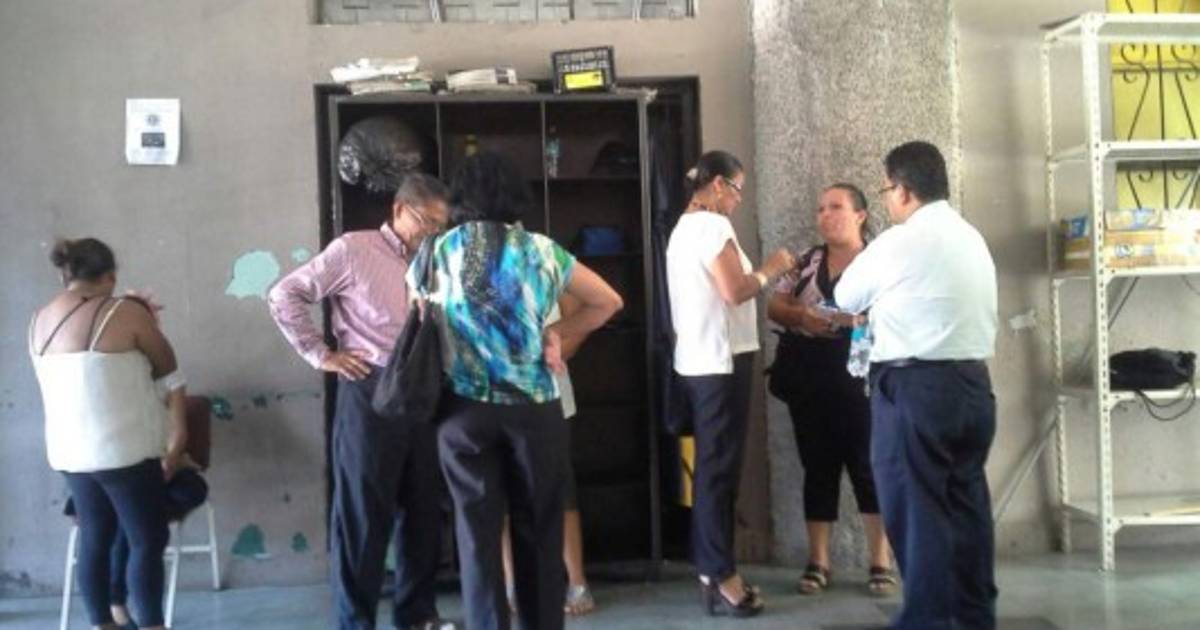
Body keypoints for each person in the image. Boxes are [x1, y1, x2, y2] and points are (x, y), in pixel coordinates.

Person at [422, 152, 622, 630]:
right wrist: (557, 332)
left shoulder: (437, 251)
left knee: (477, 535)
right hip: (534, 409)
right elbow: (609, 302)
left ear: (461, 196)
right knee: (541, 528)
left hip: (462, 411)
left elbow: (417, 319)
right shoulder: (541, 251)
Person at [267, 174, 454, 630]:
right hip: (371, 387)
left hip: (425, 389)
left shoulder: (439, 258)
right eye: (426, 221)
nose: (432, 232)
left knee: (424, 509)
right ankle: (356, 621)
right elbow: (284, 294)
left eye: (441, 225)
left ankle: (417, 615)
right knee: (362, 513)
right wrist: (321, 354)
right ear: (399, 210)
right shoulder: (353, 250)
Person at [834, 141, 998, 630]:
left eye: (887, 190)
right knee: (967, 508)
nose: (888, 199)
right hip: (973, 387)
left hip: (915, 390)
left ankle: (926, 620)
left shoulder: (898, 241)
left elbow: (845, 296)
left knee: (916, 511)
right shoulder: (972, 237)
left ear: (903, 190)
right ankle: (974, 617)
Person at [29, 238, 187, 630]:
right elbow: (168, 370)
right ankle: (152, 624)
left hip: (69, 451)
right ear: (110, 276)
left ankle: (103, 623)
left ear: (65, 274)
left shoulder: (38, 319)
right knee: (146, 539)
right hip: (123, 448)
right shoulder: (122, 312)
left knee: (94, 538)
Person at [665, 150, 794, 618]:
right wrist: (773, 267)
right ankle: (720, 575)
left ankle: (712, 568)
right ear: (718, 184)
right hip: (721, 362)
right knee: (719, 473)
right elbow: (735, 290)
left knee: (712, 470)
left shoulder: (682, 229)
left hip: (698, 361)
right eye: (737, 189)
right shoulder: (711, 227)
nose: (738, 200)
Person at [767, 183, 896, 597]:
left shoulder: (882, 261)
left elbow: (900, 311)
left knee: (868, 465)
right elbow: (775, 305)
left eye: (836, 207)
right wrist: (803, 316)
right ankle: (818, 560)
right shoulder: (806, 261)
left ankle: (880, 560)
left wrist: (855, 321)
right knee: (817, 466)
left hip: (863, 374)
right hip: (811, 375)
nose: (825, 215)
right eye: (821, 208)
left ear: (860, 215)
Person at [501, 296, 595, 618]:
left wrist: (554, 354)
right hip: (496, 397)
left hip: (550, 394)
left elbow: (584, 318)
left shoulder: (553, 271)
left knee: (560, 492)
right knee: (503, 496)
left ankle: (577, 581)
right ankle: (512, 583)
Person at [64, 467, 209, 627]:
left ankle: (106, 618)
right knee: (142, 538)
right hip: (122, 465)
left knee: (98, 537)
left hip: (80, 464)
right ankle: (142, 620)